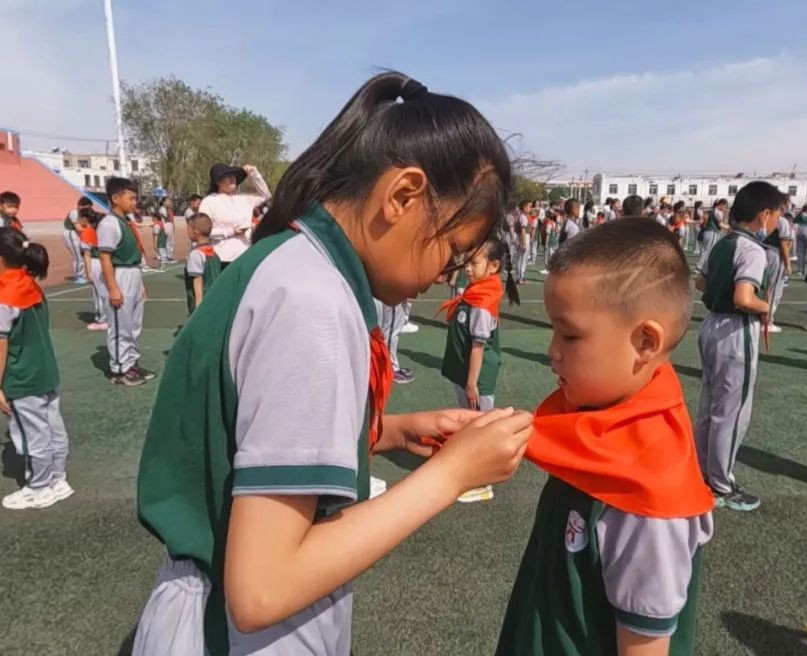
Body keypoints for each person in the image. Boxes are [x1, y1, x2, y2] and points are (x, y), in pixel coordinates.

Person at [131, 72, 534, 655]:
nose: (442, 275)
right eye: (450, 251)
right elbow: (263, 588)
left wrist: (392, 431)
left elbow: (246, 435)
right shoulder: (313, 301)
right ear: (403, 196)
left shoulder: (292, 263)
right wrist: (451, 476)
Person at [497, 219, 714, 655]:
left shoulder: (650, 493)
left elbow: (644, 643)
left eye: (570, 335)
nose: (552, 350)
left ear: (645, 341)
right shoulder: (598, 428)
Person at [694, 182, 781, 512]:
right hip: (735, 329)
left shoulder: (723, 242)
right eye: (777, 216)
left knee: (709, 406)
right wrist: (764, 306)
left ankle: (702, 473)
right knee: (731, 412)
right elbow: (744, 298)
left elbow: (700, 280)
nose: (777, 223)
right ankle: (721, 484)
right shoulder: (753, 250)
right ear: (764, 214)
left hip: (711, 324)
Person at [0, 227, 73, 510]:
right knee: (52, 428)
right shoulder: (30, 284)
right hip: (45, 370)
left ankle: (39, 487)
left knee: (32, 435)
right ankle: (58, 478)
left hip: (22, 376)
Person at [440, 236, 520, 503]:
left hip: (474, 378)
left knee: (480, 426)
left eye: (474, 263)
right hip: (464, 373)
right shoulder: (474, 293)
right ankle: (471, 470)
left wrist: (472, 383)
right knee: (469, 423)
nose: (467, 268)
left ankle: (484, 481)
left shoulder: (482, 302)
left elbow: (478, 347)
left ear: (493, 266)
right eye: (467, 262)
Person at [98, 177, 154, 386]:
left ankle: (131, 363)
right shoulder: (109, 223)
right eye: (130, 198)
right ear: (115, 198)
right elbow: (105, 257)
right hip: (119, 274)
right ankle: (120, 369)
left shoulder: (125, 222)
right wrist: (113, 288)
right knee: (120, 325)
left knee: (134, 324)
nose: (134, 202)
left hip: (132, 273)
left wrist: (140, 284)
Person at [198, 162, 272, 268]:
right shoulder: (209, 201)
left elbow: (265, 195)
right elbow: (204, 231)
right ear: (218, 182)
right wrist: (231, 231)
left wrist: (254, 173)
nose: (232, 178)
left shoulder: (244, 199)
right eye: (227, 176)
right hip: (223, 258)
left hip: (246, 254)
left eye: (233, 175)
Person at [763, 206, 794, 333]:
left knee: (763, 287)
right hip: (774, 253)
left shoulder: (763, 217)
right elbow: (784, 244)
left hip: (761, 251)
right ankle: (767, 321)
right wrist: (788, 264)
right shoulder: (781, 220)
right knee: (774, 289)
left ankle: (761, 317)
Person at [78, 209, 109, 332]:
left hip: (95, 262)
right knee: (106, 289)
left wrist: (88, 271)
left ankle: (102, 319)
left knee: (98, 292)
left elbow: (87, 254)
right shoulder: (100, 230)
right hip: (105, 261)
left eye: (80, 218)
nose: (78, 221)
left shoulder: (86, 232)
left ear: (85, 219)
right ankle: (109, 316)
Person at [184, 213, 221, 314]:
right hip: (213, 299)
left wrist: (198, 306)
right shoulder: (213, 252)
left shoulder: (196, 255)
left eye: (188, 228)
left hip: (203, 303)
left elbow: (198, 280)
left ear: (196, 231)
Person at [63, 197, 91, 284]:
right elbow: (78, 227)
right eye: (86, 208)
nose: (87, 210)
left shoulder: (85, 213)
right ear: (80, 206)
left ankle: (82, 274)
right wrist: (91, 230)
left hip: (79, 234)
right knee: (78, 256)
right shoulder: (74, 213)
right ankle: (79, 276)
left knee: (83, 254)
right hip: (71, 233)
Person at [697, 198, 728, 264]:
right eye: (725, 207)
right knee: (708, 251)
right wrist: (730, 228)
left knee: (707, 250)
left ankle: (703, 266)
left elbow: (703, 223)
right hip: (712, 232)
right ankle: (700, 267)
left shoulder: (711, 211)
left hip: (706, 232)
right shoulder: (718, 212)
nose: (725, 209)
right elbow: (721, 225)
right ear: (722, 204)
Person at [512, 200, 533, 285]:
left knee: (521, 258)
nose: (530, 208)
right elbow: (523, 231)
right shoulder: (523, 217)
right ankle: (520, 278)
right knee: (522, 258)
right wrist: (524, 243)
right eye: (529, 206)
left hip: (523, 237)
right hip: (523, 238)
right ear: (524, 207)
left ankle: (520, 276)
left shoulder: (522, 216)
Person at [158, 196, 176, 264]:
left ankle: (169, 256)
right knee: (168, 241)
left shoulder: (168, 209)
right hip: (166, 225)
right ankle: (167, 257)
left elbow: (171, 218)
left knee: (171, 241)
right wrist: (164, 228)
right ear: (163, 202)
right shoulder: (162, 209)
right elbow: (165, 218)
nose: (169, 202)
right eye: (168, 201)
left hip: (169, 224)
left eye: (169, 201)